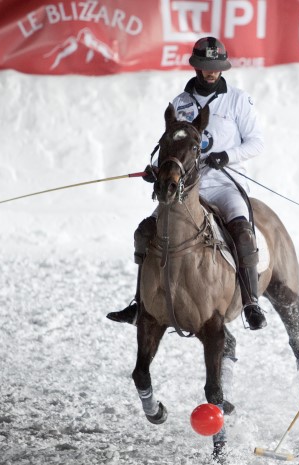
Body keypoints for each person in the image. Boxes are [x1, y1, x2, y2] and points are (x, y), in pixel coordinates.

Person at [107, 37, 267, 330]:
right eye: (206, 67)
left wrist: (227, 155)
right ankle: (139, 303)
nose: (212, 72)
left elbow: (257, 142)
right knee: (145, 232)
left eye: (216, 67)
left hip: (225, 183)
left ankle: (251, 302)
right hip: (187, 188)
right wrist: (157, 169)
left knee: (243, 234)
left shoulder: (238, 100)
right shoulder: (180, 104)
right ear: (196, 67)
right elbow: (173, 146)